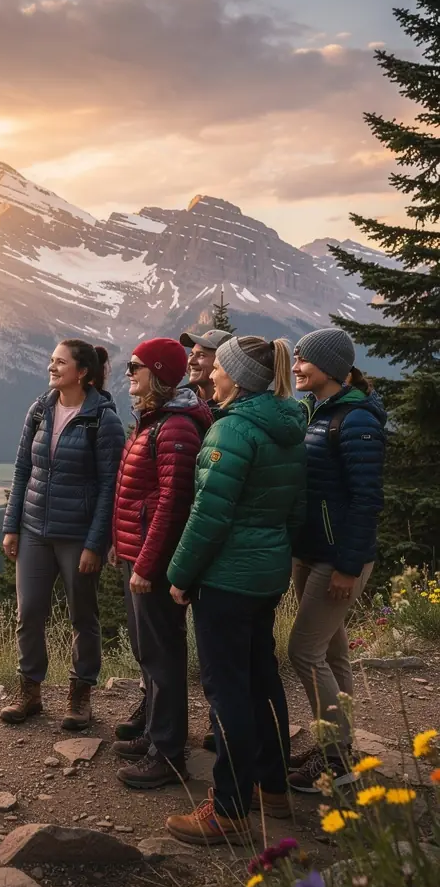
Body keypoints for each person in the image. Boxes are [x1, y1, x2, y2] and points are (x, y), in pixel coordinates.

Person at [163, 336, 306, 845]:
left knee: (228, 691)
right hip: (266, 573)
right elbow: (292, 506)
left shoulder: (234, 429)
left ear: (238, 376)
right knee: (262, 679)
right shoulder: (288, 423)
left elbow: (209, 515)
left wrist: (179, 575)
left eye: (219, 366)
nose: (211, 373)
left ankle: (228, 811)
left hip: (227, 578)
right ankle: (274, 789)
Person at [0, 340, 125, 730]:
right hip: (34, 529)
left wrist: (96, 543)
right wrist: (11, 525)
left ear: (82, 372)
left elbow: (110, 487)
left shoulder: (103, 420)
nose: (51, 367)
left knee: (82, 617)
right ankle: (29, 691)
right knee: (29, 613)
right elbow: (23, 470)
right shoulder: (39, 410)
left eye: (60, 362)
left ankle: (80, 693)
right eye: (51, 360)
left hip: (77, 536)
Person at [116, 327, 230, 752]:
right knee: (148, 652)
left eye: (135, 367)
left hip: (155, 557)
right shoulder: (156, 419)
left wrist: (146, 563)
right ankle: (153, 734)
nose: (129, 373)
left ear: (157, 373)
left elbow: (172, 504)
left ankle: (166, 750)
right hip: (138, 549)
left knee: (162, 655)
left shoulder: (176, 426)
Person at [287, 328, 386, 792]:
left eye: (304, 360)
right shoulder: (319, 410)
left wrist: (348, 566)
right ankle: (339, 744)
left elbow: (366, 500)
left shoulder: (357, 421)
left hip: (338, 556)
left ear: (331, 366)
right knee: (331, 650)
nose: (295, 367)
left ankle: (335, 755)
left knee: (303, 651)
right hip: (312, 550)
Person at [180, 329, 234, 404]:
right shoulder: (177, 400)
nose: (190, 361)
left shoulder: (236, 408)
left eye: (201, 355)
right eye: (191, 354)